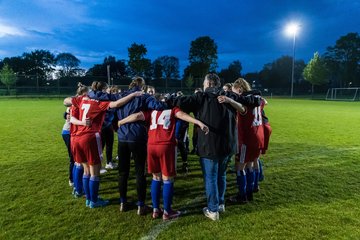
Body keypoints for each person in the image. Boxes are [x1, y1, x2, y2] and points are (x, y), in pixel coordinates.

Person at [175, 73, 260, 221]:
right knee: (221, 175)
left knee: (211, 177)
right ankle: (220, 203)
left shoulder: (201, 97)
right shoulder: (227, 95)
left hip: (209, 145)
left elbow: (178, 103)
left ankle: (213, 209)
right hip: (228, 145)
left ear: (207, 84)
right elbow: (248, 104)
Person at [117, 100, 209, 220]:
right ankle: (167, 211)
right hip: (165, 145)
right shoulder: (172, 110)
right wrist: (199, 123)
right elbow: (182, 115)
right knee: (167, 178)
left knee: (156, 177)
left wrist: (121, 122)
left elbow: (136, 116)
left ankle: (155, 209)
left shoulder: (152, 111)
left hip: (151, 145)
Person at [64, 84, 143, 208]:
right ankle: (93, 201)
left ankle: (88, 199)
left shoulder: (82, 99)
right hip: (89, 137)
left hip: (76, 137)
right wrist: (133, 94)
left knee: (86, 170)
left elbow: (66, 101)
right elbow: (116, 104)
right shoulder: (98, 103)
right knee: (94, 172)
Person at [220, 78, 266, 203]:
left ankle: (242, 196)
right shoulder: (257, 99)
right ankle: (250, 193)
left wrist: (229, 99)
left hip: (247, 139)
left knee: (240, 168)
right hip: (258, 137)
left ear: (240, 90)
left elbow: (242, 108)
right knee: (250, 165)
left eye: (234, 92)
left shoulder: (246, 102)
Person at [61, 107, 75, 187]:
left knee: (76, 157)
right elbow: (66, 115)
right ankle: (71, 179)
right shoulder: (71, 107)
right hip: (68, 133)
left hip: (72, 133)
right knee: (73, 157)